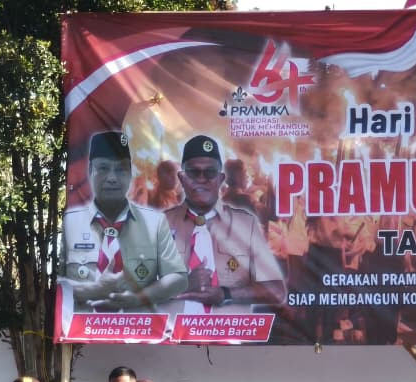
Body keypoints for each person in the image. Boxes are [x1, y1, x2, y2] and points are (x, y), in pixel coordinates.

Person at [61, 130, 188, 311]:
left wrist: (138, 298)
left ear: (130, 173)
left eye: (121, 169)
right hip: (83, 332)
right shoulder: (70, 222)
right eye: (103, 168)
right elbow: (54, 284)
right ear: (90, 171)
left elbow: (178, 278)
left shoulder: (155, 222)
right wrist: (95, 289)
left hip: (137, 332)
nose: (112, 178)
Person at [165, 135, 286, 314]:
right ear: (182, 178)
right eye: (193, 172)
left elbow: (276, 291)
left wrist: (225, 294)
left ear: (221, 179)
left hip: (230, 336)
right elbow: (131, 289)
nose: (202, 179)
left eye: (210, 172)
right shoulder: (159, 225)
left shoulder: (246, 224)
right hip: (174, 338)